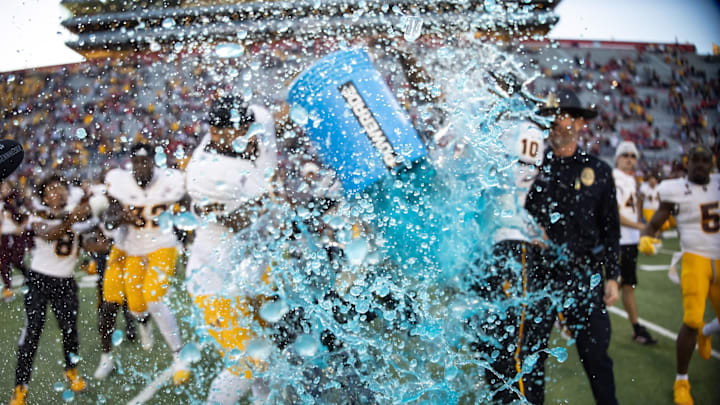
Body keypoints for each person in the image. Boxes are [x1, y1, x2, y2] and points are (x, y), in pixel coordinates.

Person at [525, 89, 620, 405]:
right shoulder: (532, 168)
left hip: (585, 276)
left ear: (580, 123)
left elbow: (611, 229)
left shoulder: (599, 170)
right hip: (540, 274)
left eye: (563, 114)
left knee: (596, 358)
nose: (555, 121)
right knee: (531, 357)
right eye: (551, 115)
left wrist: (613, 276)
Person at [185, 95, 277, 404]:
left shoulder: (260, 121)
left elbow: (276, 116)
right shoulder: (206, 173)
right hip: (214, 282)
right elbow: (242, 222)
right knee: (248, 363)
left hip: (249, 272)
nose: (240, 136)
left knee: (271, 357)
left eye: (244, 128)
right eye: (228, 131)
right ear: (215, 132)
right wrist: (277, 204)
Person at [468, 121, 550, 404]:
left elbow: (504, 181)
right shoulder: (520, 129)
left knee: (509, 343)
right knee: (487, 340)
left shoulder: (517, 129)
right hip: (488, 245)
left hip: (508, 242)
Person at [98, 143, 190, 385]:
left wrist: (189, 238)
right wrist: (120, 218)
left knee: (153, 298)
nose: (141, 166)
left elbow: (189, 203)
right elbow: (109, 220)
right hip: (130, 248)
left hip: (162, 245)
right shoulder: (119, 182)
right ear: (131, 163)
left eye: (146, 161)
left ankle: (179, 355)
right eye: (137, 162)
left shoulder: (171, 179)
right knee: (136, 306)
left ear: (154, 162)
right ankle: (142, 323)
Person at [639, 144, 719, 405]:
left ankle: (707, 332)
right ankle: (681, 380)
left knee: (704, 324)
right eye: (694, 160)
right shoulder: (676, 190)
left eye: (704, 160)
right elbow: (654, 223)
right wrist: (646, 238)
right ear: (687, 163)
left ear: (712, 163)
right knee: (692, 319)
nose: (699, 165)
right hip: (695, 258)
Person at [9, 175, 91, 405]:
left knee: (70, 331)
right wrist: (71, 221)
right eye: (53, 189)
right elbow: (48, 233)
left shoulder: (77, 215)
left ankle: (71, 370)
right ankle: (20, 388)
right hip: (38, 282)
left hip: (65, 282)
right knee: (32, 334)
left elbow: (89, 242)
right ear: (44, 196)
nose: (59, 192)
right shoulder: (38, 214)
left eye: (62, 188)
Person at [612, 141, 657, 345]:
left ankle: (636, 328)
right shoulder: (614, 177)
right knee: (617, 283)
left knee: (627, 283)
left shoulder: (632, 180)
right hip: (617, 239)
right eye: (625, 155)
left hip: (629, 240)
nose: (630, 159)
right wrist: (640, 227)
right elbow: (613, 213)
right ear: (618, 157)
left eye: (633, 155)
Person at [0, 181, 30, 302]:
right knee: (3, 264)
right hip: (3, 236)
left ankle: (29, 277)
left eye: (6, 187)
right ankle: (8, 289)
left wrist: (18, 226)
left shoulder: (15, 201)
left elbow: (24, 218)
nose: (4, 190)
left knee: (17, 261)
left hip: (15, 236)